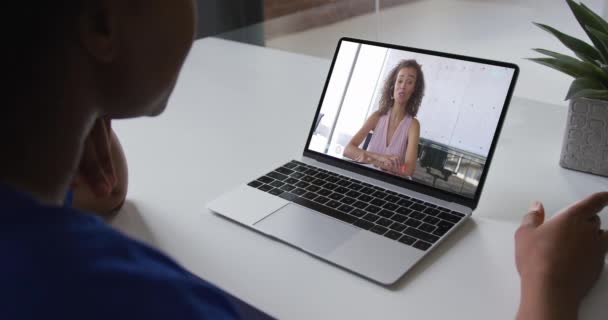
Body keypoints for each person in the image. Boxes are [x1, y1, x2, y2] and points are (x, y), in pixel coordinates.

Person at [0, 2, 605, 319]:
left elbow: (395, 165)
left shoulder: (41, 179)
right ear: (103, 23)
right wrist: (548, 287)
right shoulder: (141, 302)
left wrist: (82, 115)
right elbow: (351, 152)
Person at [343, 59, 425, 177]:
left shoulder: (413, 125)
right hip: (365, 177)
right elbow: (348, 150)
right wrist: (380, 158)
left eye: (409, 82)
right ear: (393, 85)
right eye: (400, 80)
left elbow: (408, 170)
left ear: (414, 90)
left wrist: (369, 158)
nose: (402, 86)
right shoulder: (377, 116)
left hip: (389, 185)